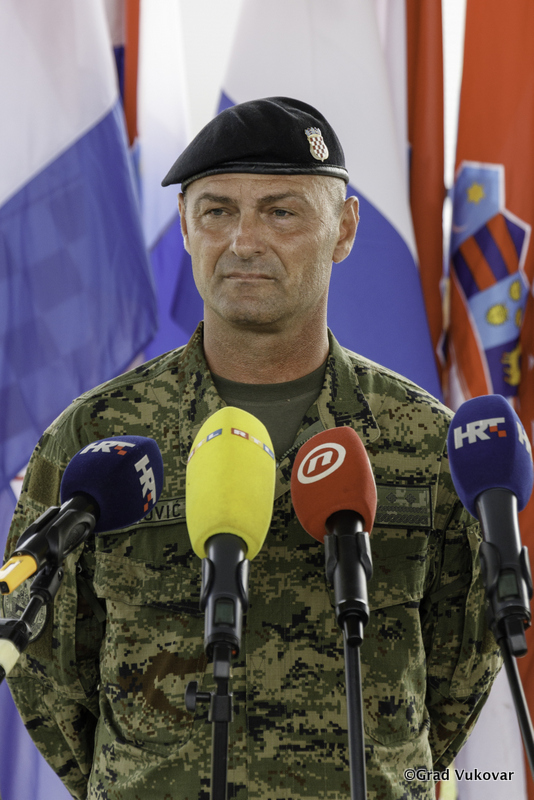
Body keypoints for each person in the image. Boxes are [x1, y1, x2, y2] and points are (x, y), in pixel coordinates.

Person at [2, 97, 500, 800]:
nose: (243, 240)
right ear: (184, 225)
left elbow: (463, 662)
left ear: (344, 228)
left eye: (281, 212)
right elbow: (46, 668)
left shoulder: (425, 442)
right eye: (216, 211)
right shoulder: (97, 438)